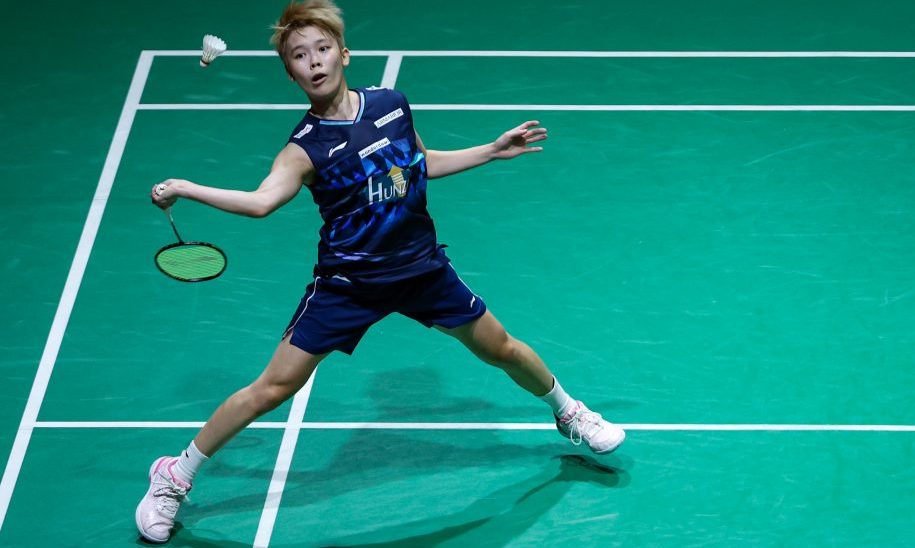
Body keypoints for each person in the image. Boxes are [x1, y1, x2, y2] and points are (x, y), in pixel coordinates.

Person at [136, 0, 625, 543]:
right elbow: (260, 202)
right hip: (350, 284)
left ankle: (569, 413)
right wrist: (186, 188)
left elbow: (420, 163)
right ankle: (173, 475)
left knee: (500, 347)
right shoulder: (303, 150)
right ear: (290, 73)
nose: (314, 61)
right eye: (299, 55)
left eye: (322, 49)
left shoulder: (392, 105)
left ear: (344, 54)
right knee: (273, 388)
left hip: (420, 268)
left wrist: (490, 150)